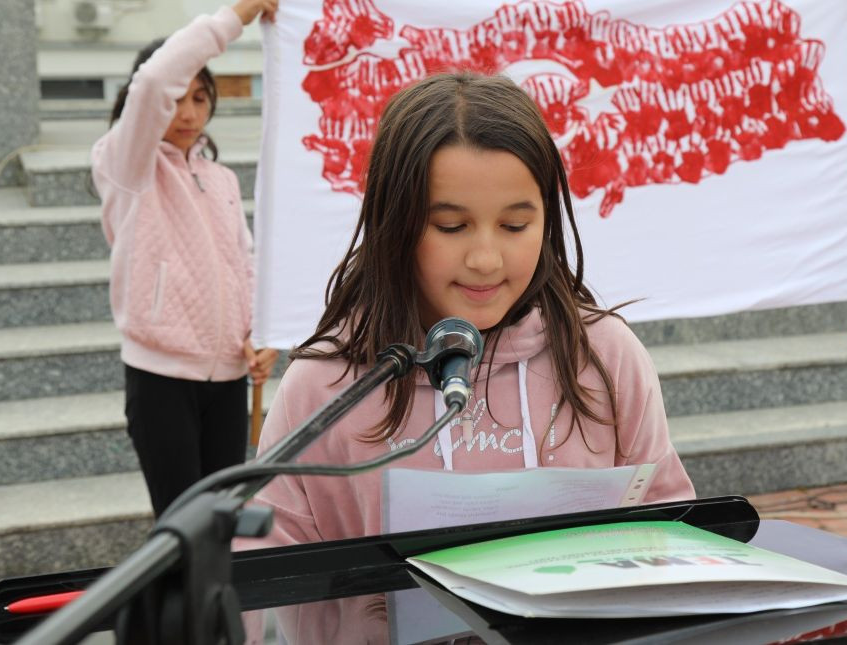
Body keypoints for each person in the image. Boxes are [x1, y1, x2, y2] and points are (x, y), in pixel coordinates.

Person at [252, 72, 695, 546]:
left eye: (514, 224)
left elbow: (667, 522)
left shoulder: (604, 355)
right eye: (450, 226)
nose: (485, 259)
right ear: (393, 223)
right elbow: (264, 567)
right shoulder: (326, 385)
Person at [91, 0, 281, 518]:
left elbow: (245, 263)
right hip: (160, 382)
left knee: (220, 529)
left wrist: (259, 335)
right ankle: (174, 609)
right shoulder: (126, 165)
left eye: (200, 98)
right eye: (179, 98)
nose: (188, 112)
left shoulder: (218, 178)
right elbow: (154, 80)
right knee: (180, 534)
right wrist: (236, 15)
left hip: (228, 379)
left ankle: (213, 609)